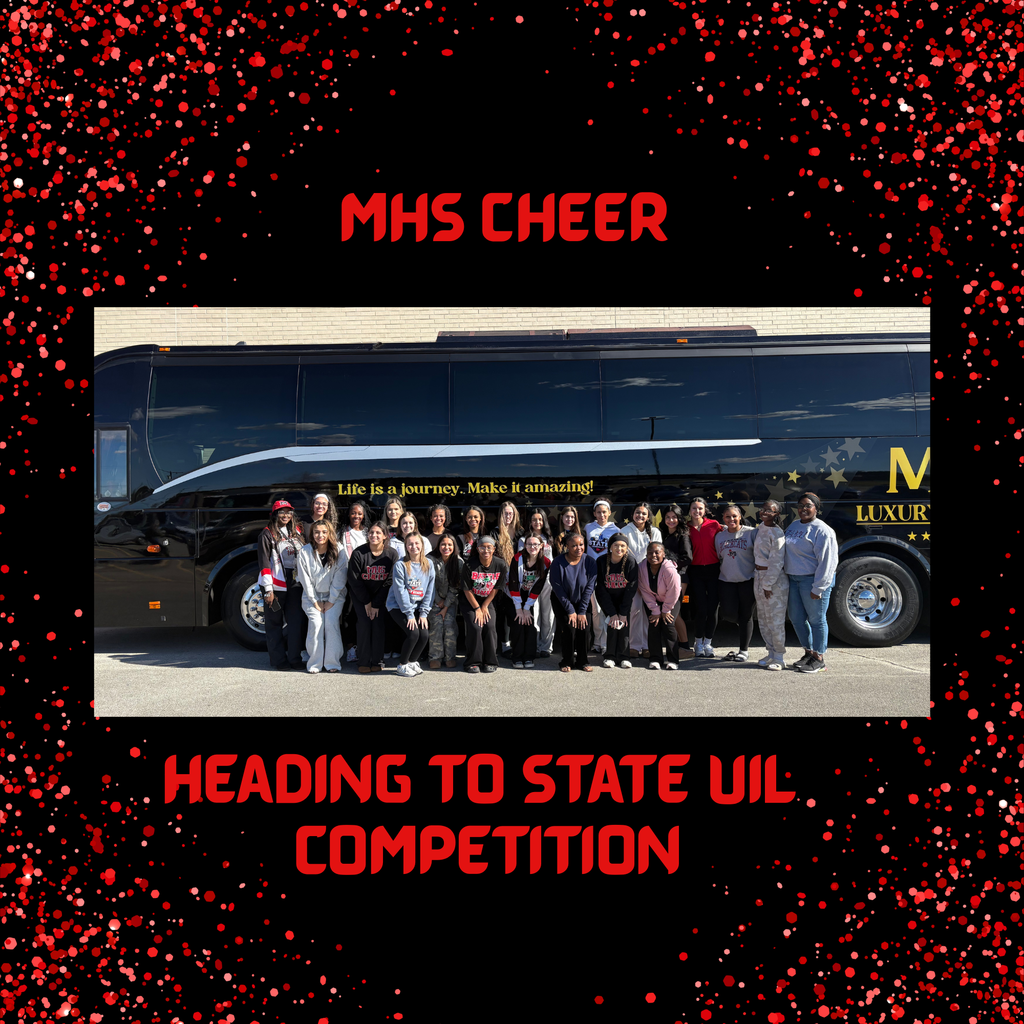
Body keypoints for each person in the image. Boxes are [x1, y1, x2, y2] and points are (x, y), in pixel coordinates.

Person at [784, 492, 839, 673]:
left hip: (812, 581)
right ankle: (808, 652)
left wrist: (819, 587)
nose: (803, 509)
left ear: (816, 508)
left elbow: (828, 562)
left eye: (808, 505)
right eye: (800, 505)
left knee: (816, 620)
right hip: (794, 579)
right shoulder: (793, 526)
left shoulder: (822, 530)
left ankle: (819, 658)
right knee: (796, 618)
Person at [258, 500, 308, 671]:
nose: (285, 515)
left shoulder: (298, 531)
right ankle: (279, 660)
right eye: (281, 512)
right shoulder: (266, 534)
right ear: (274, 514)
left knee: (295, 623)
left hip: (295, 582)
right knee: (275, 624)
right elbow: (264, 564)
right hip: (275, 583)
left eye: (288, 512)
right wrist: (268, 590)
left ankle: (294, 658)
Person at [347, 522, 398, 674]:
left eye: (378, 533)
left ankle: (377, 660)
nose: (374, 535)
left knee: (378, 624)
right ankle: (363, 661)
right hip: (361, 596)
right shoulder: (358, 553)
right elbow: (354, 580)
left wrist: (375, 603)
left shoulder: (391, 554)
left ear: (385, 536)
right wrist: (367, 602)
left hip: (381, 596)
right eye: (371, 533)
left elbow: (389, 581)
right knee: (364, 624)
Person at [296, 520, 347, 674]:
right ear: (312, 534)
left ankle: (332, 662)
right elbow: (305, 580)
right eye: (317, 532)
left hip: (335, 596)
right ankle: (315, 663)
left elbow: (340, 579)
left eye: (324, 532)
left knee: (331, 623)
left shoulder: (340, 550)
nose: (320, 535)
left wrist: (330, 601)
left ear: (329, 533)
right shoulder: (304, 552)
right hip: (312, 596)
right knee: (316, 623)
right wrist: (315, 601)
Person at [385, 531, 435, 677]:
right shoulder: (400, 565)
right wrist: (409, 614)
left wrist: (424, 613)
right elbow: (400, 592)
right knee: (413, 634)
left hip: (418, 606)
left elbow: (430, 590)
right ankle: (402, 665)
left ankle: (412, 661)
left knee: (424, 635)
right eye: (410, 544)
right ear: (406, 547)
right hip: (397, 606)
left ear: (422, 545)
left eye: (417, 543)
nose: (414, 547)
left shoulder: (429, 564)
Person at [549, 532, 598, 673]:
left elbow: (589, 588)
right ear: (567, 547)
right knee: (569, 628)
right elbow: (557, 588)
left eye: (581, 544)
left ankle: (583, 660)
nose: (579, 548)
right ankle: (567, 660)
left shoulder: (590, 562)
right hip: (562, 600)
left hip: (582, 600)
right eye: (574, 545)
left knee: (584, 627)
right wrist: (570, 611)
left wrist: (581, 611)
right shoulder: (557, 563)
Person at [460, 534, 507, 674]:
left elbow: (497, 587)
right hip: (470, 600)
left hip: (487, 600)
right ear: (477, 548)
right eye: (482, 547)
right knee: (476, 626)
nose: (485, 550)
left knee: (490, 626)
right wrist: (476, 608)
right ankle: (473, 662)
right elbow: (466, 589)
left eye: (489, 547)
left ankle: (490, 661)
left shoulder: (500, 564)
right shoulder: (469, 565)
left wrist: (485, 606)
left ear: (494, 549)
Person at [715, 504, 757, 662]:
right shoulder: (720, 536)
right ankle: (745, 627)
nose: (731, 519)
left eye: (734, 516)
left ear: (740, 517)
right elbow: (719, 557)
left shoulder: (751, 533)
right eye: (727, 516)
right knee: (728, 614)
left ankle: (744, 650)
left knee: (746, 615)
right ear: (723, 519)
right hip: (726, 581)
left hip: (747, 580)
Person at [621, 501, 662, 658]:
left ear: (648, 516)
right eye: (638, 512)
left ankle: (648, 646)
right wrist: (634, 579)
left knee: (650, 612)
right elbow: (625, 556)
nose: (640, 516)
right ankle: (634, 645)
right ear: (633, 514)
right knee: (635, 610)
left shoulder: (655, 532)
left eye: (644, 513)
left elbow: (657, 555)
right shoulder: (625, 531)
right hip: (631, 578)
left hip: (650, 578)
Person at [753, 499, 789, 671]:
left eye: (770, 510)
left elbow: (776, 561)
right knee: (764, 618)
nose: (765, 512)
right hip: (758, 576)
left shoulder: (777, 533)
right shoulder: (760, 528)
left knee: (775, 619)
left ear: (776, 514)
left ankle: (780, 657)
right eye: (763, 509)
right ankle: (771, 653)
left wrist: (767, 584)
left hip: (773, 580)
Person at [686, 496, 723, 658]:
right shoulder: (685, 528)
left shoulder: (714, 525)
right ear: (689, 510)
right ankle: (698, 642)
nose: (697, 511)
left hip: (714, 570)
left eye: (700, 508)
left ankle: (708, 642)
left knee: (713, 608)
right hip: (695, 572)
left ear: (705, 510)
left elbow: (731, 533)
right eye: (694, 508)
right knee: (701, 608)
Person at [595, 532, 638, 669]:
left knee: (623, 626)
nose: (619, 549)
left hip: (624, 599)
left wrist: (623, 612)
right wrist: (612, 612)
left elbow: (631, 588)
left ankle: (624, 657)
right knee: (612, 626)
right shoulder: (601, 561)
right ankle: (609, 656)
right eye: (616, 545)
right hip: (607, 598)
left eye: (623, 546)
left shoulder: (630, 562)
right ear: (610, 547)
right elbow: (600, 588)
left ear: (627, 548)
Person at [508, 534, 550, 668]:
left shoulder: (546, 562)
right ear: (525, 546)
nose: (532, 547)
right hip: (513, 596)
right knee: (518, 624)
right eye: (529, 544)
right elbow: (513, 583)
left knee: (530, 624)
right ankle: (517, 657)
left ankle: (528, 656)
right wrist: (519, 608)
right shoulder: (517, 558)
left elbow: (538, 586)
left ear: (541, 546)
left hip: (530, 597)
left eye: (535, 544)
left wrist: (526, 608)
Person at [637, 541, 682, 670]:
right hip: (653, 601)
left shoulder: (669, 569)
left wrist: (666, 610)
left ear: (663, 554)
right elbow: (644, 590)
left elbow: (674, 591)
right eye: (650, 553)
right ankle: (655, 659)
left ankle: (673, 660)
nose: (653, 555)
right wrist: (655, 610)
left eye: (657, 552)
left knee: (668, 625)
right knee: (654, 624)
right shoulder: (641, 567)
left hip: (671, 599)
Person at [518, 509, 556, 657]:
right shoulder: (523, 540)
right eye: (534, 519)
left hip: (547, 580)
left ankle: (546, 647)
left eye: (540, 519)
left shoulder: (549, 538)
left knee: (548, 614)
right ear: (529, 522)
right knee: (534, 613)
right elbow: (522, 561)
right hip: (530, 581)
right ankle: (533, 645)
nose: (537, 522)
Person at [584, 499, 619, 657]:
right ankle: (598, 641)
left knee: (606, 609)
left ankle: (605, 643)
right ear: (594, 514)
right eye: (598, 512)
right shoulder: (588, 528)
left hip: (608, 573)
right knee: (595, 610)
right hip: (592, 573)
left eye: (604, 512)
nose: (602, 515)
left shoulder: (616, 530)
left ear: (609, 513)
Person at [660, 503, 694, 658]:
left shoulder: (683, 535)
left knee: (675, 612)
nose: (671, 520)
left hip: (680, 577)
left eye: (674, 517)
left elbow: (687, 558)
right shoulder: (662, 533)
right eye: (668, 517)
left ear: (679, 518)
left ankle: (685, 646)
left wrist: (670, 565)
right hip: (664, 578)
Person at [340, 499, 372, 663]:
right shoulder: (342, 533)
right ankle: (351, 647)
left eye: (359, 513)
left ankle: (365, 646)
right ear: (348, 514)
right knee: (348, 615)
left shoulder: (368, 533)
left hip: (366, 580)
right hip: (348, 579)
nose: (356, 516)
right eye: (353, 513)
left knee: (364, 615)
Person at [427, 532, 464, 668]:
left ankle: (450, 656)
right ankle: (435, 657)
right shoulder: (430, 559)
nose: (446, 547)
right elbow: (428, 583)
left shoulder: (459, 562)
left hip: (450, 601)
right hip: (433, 600)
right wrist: (438, 601)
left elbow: (456, 586)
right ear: (438, 545)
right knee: (436, 624)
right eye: (443, 544)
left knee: (449, 625)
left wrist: (446, 605)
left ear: (454, 546)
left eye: (449, 544)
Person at [491, 501, 523, 656]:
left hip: (518, 579)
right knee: (500, 612)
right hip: (501, 579)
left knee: (515, 611)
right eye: (505, 513)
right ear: (500, 515)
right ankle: (503, 644)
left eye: (511, 513)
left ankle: (515, 642)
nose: (508, 516)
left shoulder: (520, 533)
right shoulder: (495, 533)